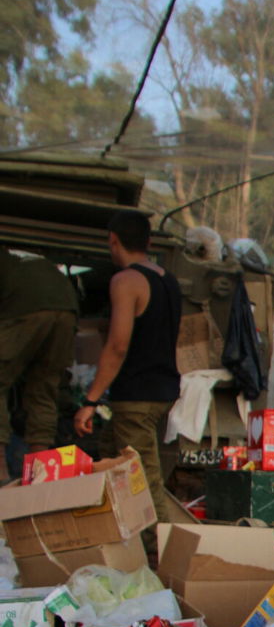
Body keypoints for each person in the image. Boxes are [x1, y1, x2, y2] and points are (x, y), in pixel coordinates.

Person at [74, 210, 182, 522]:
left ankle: (157, 557)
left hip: (136, 395)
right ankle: (105, 531)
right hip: (163, 391)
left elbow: (118, 345)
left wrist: (90, 400)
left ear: (113, 241)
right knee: (109, 457)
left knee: (142, 482)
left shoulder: (126, 281)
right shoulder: (168, 281)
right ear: (148, 241)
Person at [0, 249, 79, 482]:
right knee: (44, 387)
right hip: (67, 310)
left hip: (25, 308)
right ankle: (40, 473)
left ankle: (1, 471)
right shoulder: (22, 259)